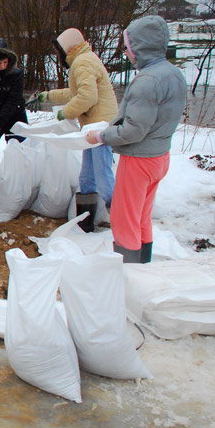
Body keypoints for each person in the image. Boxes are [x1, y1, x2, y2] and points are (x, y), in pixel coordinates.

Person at [85, 15, 186, 263]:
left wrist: (101, 135)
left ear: (141, 47)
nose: (128, 53)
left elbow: (133, 131)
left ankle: (129, 275)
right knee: (141, 215)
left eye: (129, 47)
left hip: (139, 160)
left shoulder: (147, 81)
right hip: (160, 156)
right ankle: (144, 268)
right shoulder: (174, 73)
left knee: (124, 218)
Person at [36, 27, 119, 233]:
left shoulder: (82, 62)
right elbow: (75, 92)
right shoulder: (83, 59)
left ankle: (120, 219)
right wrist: (47, 97)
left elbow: (87, 98)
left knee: (102, 175)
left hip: (100, 126)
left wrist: (66, 113)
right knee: (87, 175)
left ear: (67, 48)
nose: (58, 56)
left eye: (59, 51)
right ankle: (86, 221)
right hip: (93, 126)